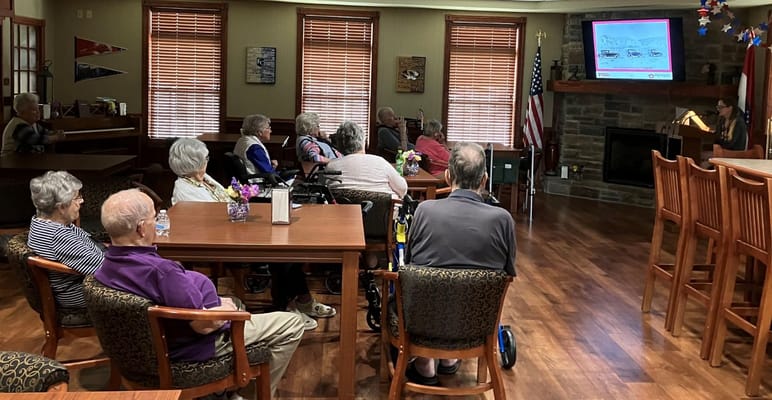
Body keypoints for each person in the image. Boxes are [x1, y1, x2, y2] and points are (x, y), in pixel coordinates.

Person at [95, 189, 305, 397]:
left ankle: (228, 390)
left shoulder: (106, 266)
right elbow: (203, 326)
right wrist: (225, 312)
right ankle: (252, 395)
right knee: (292, 324)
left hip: (151, 349)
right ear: (141, 228)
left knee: (235, 302)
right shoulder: (161, 271)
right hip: (191, 348)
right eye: (154, 217)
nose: (158, 223)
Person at [169, 137, 336, 331]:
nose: (208, 161)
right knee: (282, 253)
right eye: (205, 158)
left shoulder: (204, 179)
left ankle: (302, 301)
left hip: (232, 229)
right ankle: (286, 307)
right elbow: (211, 218)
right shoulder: (185, 188)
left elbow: (227, 200)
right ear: (194, 163)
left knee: (287, 244)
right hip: (217, 241)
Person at [404, 142, 516, 386]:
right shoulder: (503, 220)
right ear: (484, 179)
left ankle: (424, 363)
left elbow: (409, 262)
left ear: (447, 176)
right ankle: (450, 359)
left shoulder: (424, 211)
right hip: (475, 325)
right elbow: (508, 273)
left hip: (425, 322)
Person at [27, 170, 104, 308]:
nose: (82, 201)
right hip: (81, 292)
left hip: (85, 281)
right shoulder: (57, 236)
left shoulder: (41, 222)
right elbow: (104, 269)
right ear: (62, 207)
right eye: (77, 197)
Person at [327, 120, 408, 200]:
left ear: (339, 145)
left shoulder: (332, 166)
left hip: (344, 208)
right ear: (363, 142)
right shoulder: (380, 162)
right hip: (384, 208)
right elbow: (402, 189)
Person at [233, 114, 295, 183]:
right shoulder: (254, 148)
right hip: (258, 184)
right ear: (259, 132)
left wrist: (270, 165)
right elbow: (270, 173)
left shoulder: (243, 140)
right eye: (268, 128)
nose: (270, 131)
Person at [1, 92, 63, 157]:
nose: (38, 112)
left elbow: (45, 132)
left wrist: (56, 132)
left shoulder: (32, 123)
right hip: (11, 161)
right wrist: (55, 137)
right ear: (21, 112)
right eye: (34, 110)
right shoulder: (19, 125)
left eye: (38, 109)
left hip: (27, 160)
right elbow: (35, 139)